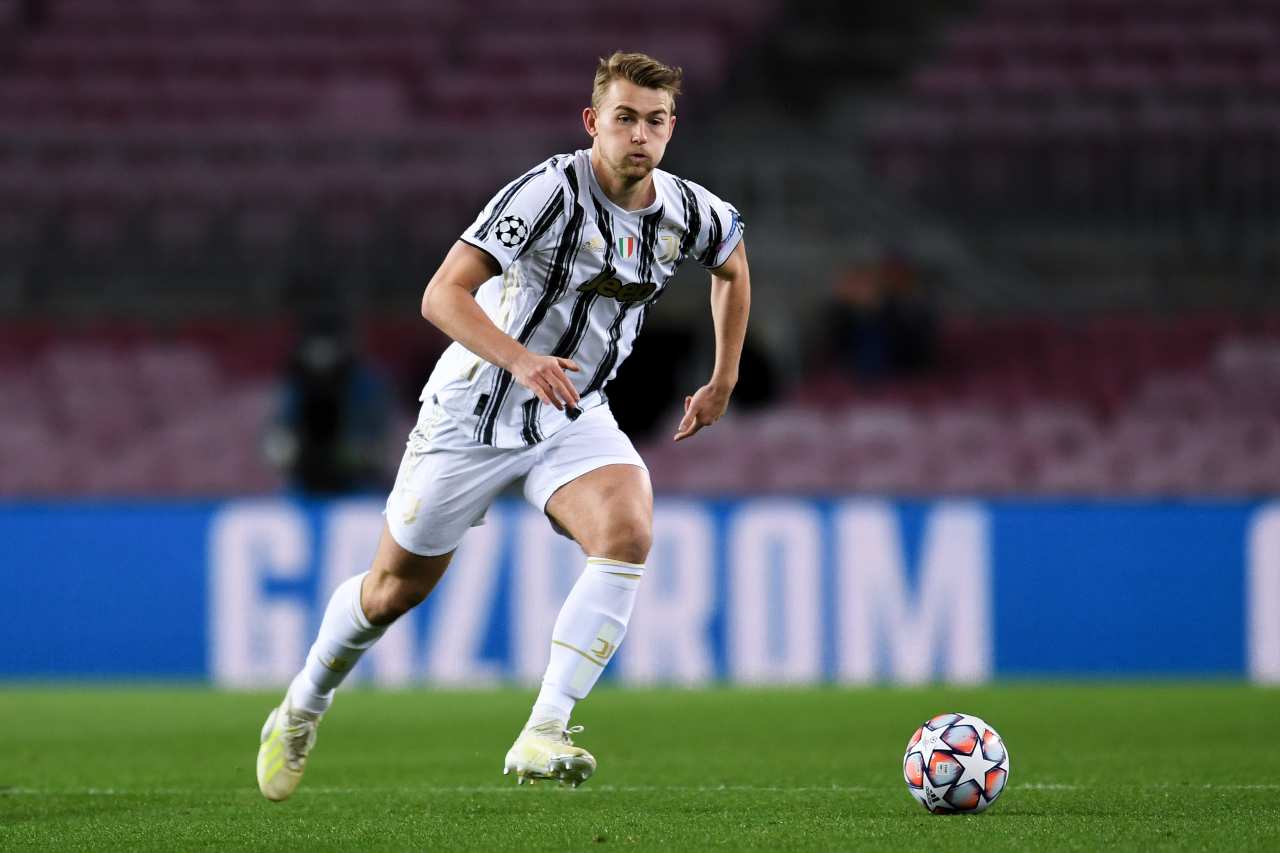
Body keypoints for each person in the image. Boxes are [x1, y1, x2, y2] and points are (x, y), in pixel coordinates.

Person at [256, 51, 751, 800]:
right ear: (594, 122)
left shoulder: (688, 209)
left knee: (627, 529)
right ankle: (302, 705)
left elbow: (733, 266)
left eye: (654, 121)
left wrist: (724, 378)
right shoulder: (548, 191)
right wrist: (521, 359)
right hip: (474, 412)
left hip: (573, 413)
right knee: (393, 591)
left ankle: (545, 727)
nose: (639, 135)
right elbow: (442, 294)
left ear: (671, 127)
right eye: (624, 118)